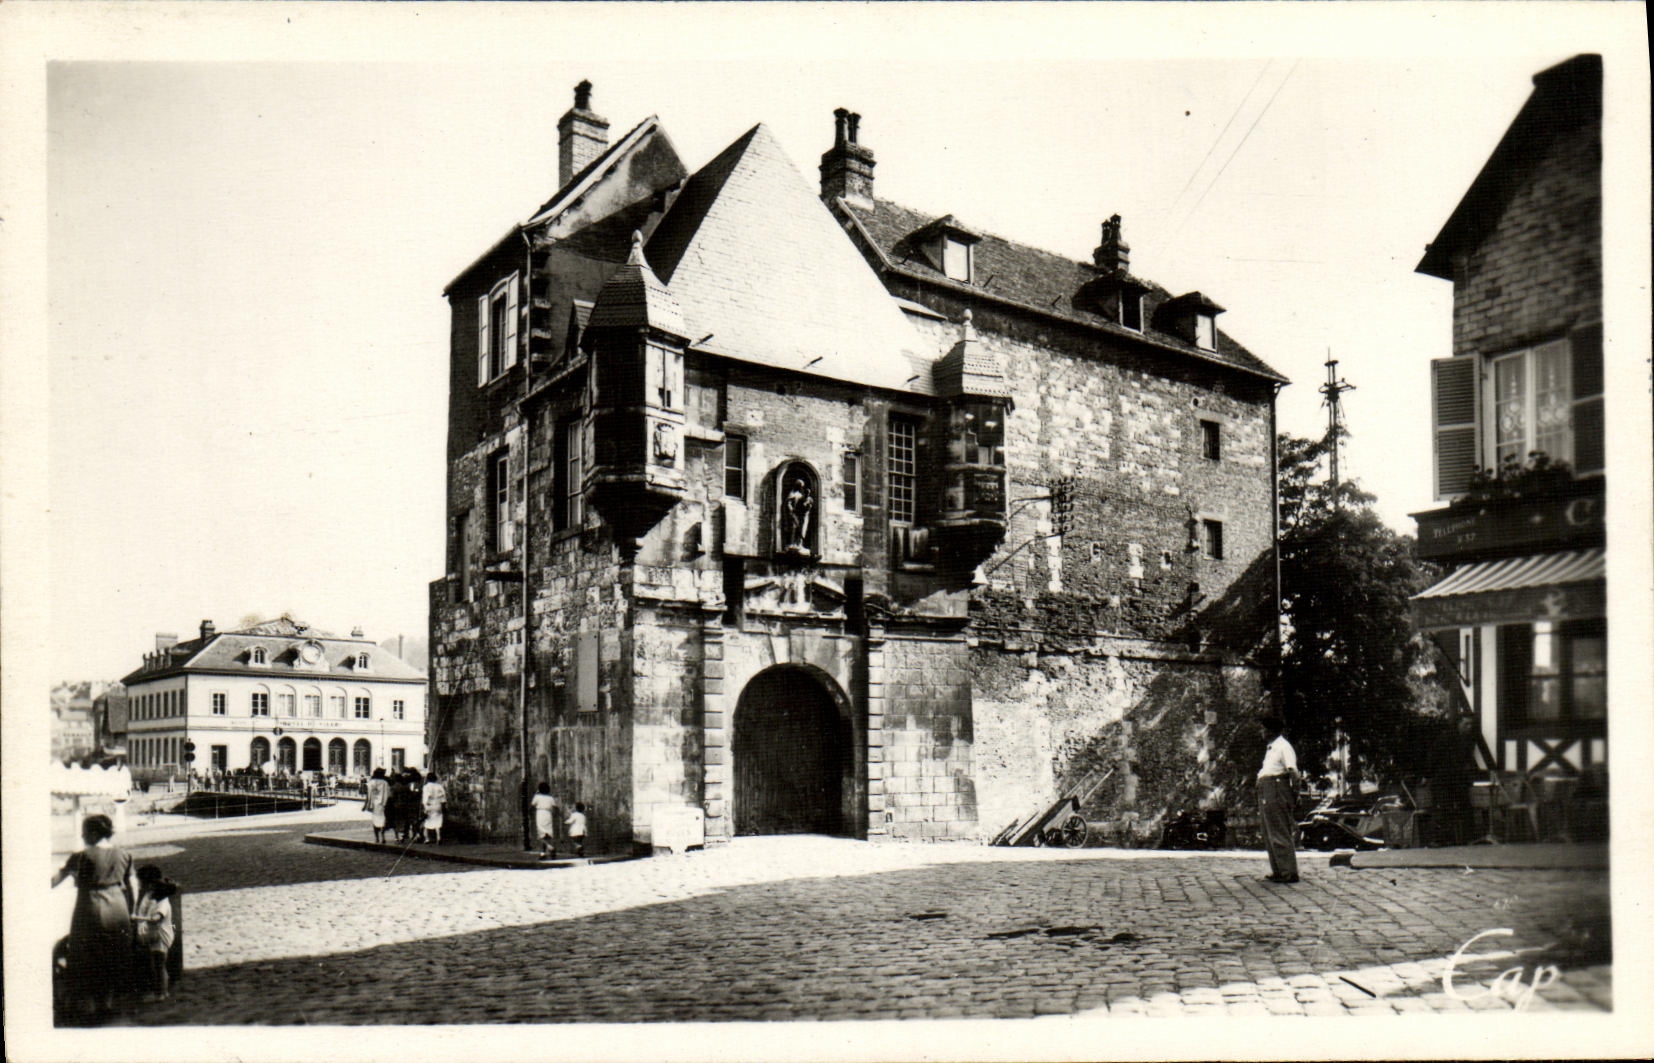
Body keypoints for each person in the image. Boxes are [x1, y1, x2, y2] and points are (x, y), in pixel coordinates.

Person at [51, 813, 136, 1020]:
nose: (82, 836)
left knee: (86, 955)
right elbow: (133, 884)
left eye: (84, 832)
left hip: (89, 906)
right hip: (118, 906)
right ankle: (107, 1003)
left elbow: (54, 880)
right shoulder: (124, 854)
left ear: (93, 833)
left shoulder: (80, 857)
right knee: (113, 954)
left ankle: (91, 1007)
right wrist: (132, 910)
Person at [1256, 715, 1300, 883]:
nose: (1261, 731)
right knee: (1269, 831)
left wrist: (1294, 794)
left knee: (1278, 830)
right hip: (1266, 788)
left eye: (1263, 728)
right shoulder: (1271, 748)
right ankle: (1279, 870)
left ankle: (1289, 872)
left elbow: (1293, 772)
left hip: (1276, 788)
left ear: (1271, 730)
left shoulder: (1283, 746)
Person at [131, 865, 177, 1001]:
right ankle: (164, 992)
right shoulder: (154, 898)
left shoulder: (162, 902)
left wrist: (136, 918)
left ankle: (160, 994)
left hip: (160, 936)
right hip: (158, 935)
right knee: (159, 964)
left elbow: (156, 919)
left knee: (158, 965)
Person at [532, 782, 559, 860]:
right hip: (548, 814)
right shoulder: (550, 798)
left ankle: (550, 848)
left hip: (540, 814)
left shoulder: (537, 797)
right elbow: (555, 807)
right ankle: (543, 853)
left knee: (541, 834)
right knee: (547, 834)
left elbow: (532, 805)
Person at [364, 767, 391, 844]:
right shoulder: (385, 783)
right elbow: (388, 794)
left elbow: (368, 794)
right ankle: (383, 837)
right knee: (382, 820)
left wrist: (366, 804)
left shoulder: (372, 782)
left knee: (375, 821)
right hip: (383, 804)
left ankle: (377, 838)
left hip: (374, 804)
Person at [421, 772, 447, 844]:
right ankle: (438, 837)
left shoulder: (426, 787)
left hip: (429, 805)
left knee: (427, 822)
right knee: (438, 822)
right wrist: (443, 805)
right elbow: (443, 797)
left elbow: (425, 798)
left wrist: (424, 806)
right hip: (438, 805)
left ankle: (427, 838)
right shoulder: (439, 786)